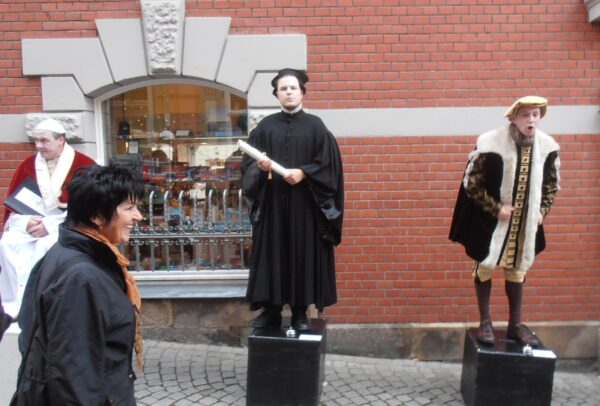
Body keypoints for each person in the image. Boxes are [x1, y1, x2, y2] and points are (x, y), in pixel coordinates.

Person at [11, 164, 144, 405]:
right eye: (129, 208)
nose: (138, 216)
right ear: (96, 215)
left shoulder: (70, 251)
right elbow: (74, 375)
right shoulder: (82, 277)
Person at [449, 96, 560, 347]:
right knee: (485, 267)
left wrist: (541, 211)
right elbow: (472, 184)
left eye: (535, 114)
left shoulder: (547, 147)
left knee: (518, 269)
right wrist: (495, 208)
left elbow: (551, 185)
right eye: (525, 115)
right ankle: (485, 322)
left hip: (524, 225)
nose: (531, 120)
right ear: (514, 117)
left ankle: (515, 325)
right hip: (492, 224)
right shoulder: (490, 143)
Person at [241, 68, 344, 331]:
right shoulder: (265, 127)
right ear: (276, 94)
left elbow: (329, 167)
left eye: (293, 88)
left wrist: (304, 172)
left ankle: (299, 312)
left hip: (305, 208)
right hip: (273, 206)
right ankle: (271, 312)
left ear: (302, 92)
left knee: (301, 255)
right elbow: (248, 166)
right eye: (283, 89)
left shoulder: (316, 127)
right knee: (272, 255)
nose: (288, 92)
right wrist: (260, 169)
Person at [0, 118, 95, 327]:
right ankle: (13, 305)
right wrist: (26, 222)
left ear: (61, 140)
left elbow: (88, 207)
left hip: (67, 225)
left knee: (47, 246)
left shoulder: (84, 165)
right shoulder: (27, 165)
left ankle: (39, 304)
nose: (39, 146)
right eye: (36, 141)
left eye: (44, 141)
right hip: (31, 223)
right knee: (8, 242)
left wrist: (50, 226)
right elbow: (14, 206)